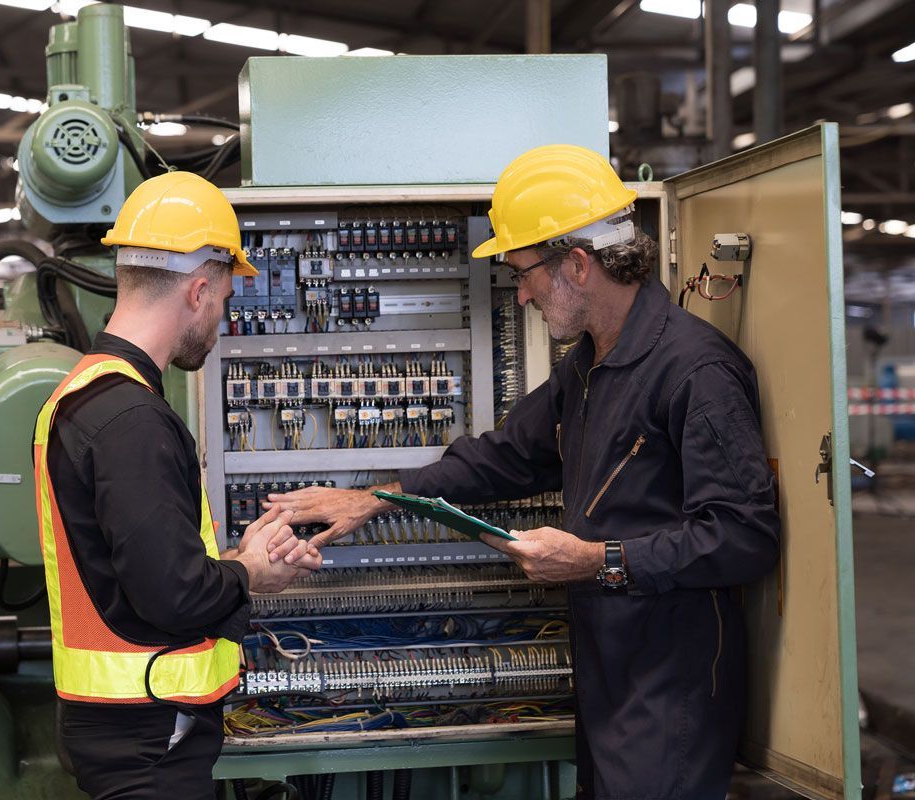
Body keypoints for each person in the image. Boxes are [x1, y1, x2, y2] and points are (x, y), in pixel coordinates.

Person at [266, 144, 780, 800]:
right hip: (611, 668)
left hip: (671, 679)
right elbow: (507, 456)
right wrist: (377, 499)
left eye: (524, 272)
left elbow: (744, 537)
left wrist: (598, 560)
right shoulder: (593, 364)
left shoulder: (694, 371)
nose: (523, 292)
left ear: (577, 264)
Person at [32, 171, 321, 800]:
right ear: (197, 291)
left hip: (128, 726)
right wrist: (252, 573)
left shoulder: (88, 392)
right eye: (222, 299)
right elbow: (173, 595)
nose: (221, 317)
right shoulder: (133, 419)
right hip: (146, 732)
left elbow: (145, 566)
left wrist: (239, 558)